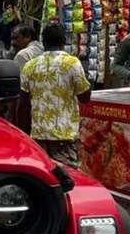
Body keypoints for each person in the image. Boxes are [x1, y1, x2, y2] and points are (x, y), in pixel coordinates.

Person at [18, 24, 91, 168]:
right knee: (68, 180)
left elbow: (23, 106)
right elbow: (84, 97)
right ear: (64, 42)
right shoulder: (72, 63)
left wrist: (25, 135)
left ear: (43, 43)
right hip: (64, 137)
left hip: (38, 137)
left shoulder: (30, 66)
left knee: (43, 180)